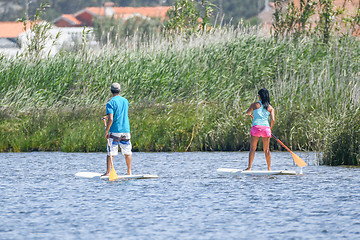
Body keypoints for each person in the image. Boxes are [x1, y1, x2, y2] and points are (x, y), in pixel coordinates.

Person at [102, 82, 132, 176]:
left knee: (111, 152)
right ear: (120, 90)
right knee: (127, 152)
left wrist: (107, 130)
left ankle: (107, 173)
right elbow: (119, 113)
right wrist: (106, 117)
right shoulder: (125, 101)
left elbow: (111, 118)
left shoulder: (110, 103)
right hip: (126, 130)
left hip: (115, 131)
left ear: (111, 91)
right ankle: (129, 172)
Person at [245, 88, 275, 171]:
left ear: (260, 96)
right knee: (267, 149)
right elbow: (273, 120)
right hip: (266, 129)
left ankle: (249, 168)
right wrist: (270, 129)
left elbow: (247, 113)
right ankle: (269, 168)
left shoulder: (254, 105)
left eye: (258, 95)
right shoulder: (270, 107)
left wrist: (250, 113)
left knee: (252, 148)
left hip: (256, 127)